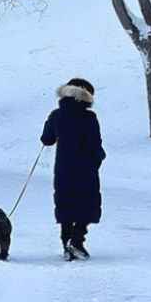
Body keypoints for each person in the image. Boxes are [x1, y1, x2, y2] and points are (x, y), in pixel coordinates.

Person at [41, 78, 106, 261]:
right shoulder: (90, 118)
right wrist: (99, 158)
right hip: (86, 169)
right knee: (87, 205)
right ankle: (76, 241)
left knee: (66, 205)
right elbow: (95, 144)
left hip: (64, 168)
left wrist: (51, 125)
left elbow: (47, 139)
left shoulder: (56, 115)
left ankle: (67, 244)